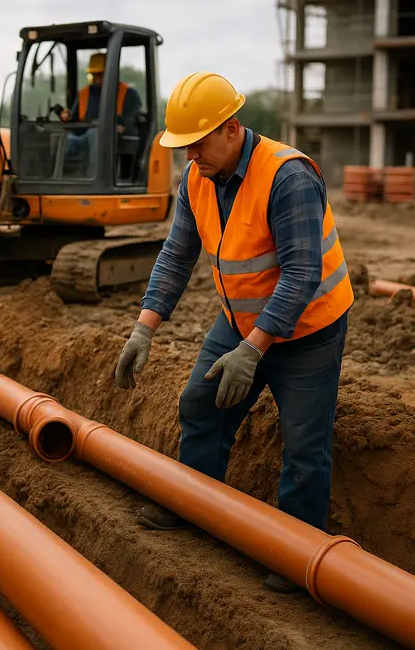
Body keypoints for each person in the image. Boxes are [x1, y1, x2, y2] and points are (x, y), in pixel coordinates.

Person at [113, 72, 353, 593]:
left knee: (304, 443)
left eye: (196, 144)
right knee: (200, 403)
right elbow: (177, 256)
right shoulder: (197, 177)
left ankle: (298, 548)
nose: (190, 156)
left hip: (309, 330)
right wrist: (143, 330)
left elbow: (301, 273)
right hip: (239, 321)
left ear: (231, 129)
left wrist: (254, 351)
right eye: (184, 147)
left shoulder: (288, 177)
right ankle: (194, 503)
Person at [58, 52, 142, 175]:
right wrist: (67, 117)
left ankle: (96, 177)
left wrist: (120, 128)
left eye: (101, 75)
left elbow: (131, 124)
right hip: (83, 137)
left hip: (113, 141)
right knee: (63, 139)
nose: (97, 79)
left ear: (111, 73)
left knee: (96, 133)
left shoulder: (128, 94)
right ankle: (61, 178)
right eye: (94, 75)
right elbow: (75, 123)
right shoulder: (84, 93)